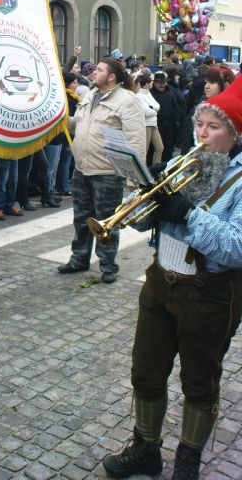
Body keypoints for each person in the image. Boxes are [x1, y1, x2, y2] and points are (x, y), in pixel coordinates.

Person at [103, 74, 242, 480]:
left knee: (199, 381)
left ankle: (187, 460)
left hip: (210, 292)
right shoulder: (188, 163)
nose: (202, 133)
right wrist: (145, 193)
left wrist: (184, 212)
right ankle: (145, 448)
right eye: (200, 123)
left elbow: (235, 247)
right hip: (161, 280)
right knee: (145, 371)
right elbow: (140, 222)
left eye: (213, 127)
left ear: (234, 134)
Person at [59, 58, 146, 281]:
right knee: (81, 218)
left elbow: (136, 139)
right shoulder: (89, 95)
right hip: (82, 168)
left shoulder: (128, 101)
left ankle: (108, 266)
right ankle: (79, 258)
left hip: (107, 172)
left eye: (99, 70)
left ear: (111, 77)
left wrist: (133, 177)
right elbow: (77, 124)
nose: (93, 73)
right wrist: (61, 118)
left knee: (107, 222)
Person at [150, 71, 185, 162]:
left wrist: (177, 123)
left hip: (170, 127)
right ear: (154, 83)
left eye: (164, 82)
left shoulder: (170, 93)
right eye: (159, 83)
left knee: (168, 150)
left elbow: (176, 108)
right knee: (155, 149)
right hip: (156, 127)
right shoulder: (150, 94)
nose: (162, 85)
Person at [56, 72, 80, 196]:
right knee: (64, 162)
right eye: (74, 83)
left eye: (77, 82)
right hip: (67, 134)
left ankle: (63, 186)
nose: (76, 85)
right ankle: (63, 187)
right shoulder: (67, 98)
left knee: (66, 162)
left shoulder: (73, 97)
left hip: (72, 133)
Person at [135, 75, 163, 164]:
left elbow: (157, 105)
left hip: (153, 123)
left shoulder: (148, 93)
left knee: (160, 148)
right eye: (150, 82)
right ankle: (143, 173)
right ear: (146, 83)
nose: (151, 84)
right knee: (144, 152)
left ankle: (156, 170)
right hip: (146, 125)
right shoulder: (139, 95)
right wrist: (154, 110)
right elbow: (146, 111)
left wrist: (152, 108)